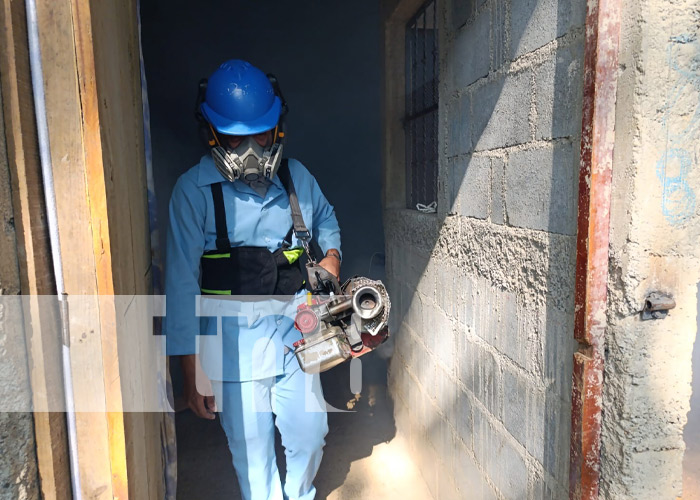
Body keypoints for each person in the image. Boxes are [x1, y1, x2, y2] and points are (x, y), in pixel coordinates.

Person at [164, 59, 342, 500]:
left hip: (295, 335)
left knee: (309, 432)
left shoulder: (295, 177)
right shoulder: (193, 192)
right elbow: (182, 284)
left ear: (277, 128)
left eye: (260, 135)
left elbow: (326, 219)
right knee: (253, 454)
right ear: (210, 133)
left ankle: (299, 494)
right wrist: (190, 372)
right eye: (234, 138)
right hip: (231, 350)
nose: (250, 151)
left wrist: (333, 257)